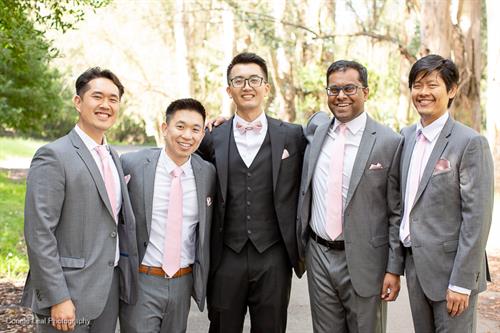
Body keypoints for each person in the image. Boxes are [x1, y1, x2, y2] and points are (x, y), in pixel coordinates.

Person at [22, 67, 138, 332]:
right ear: (78, 101)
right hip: (67, 294)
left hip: (108, 291)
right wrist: (58, 297)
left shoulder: (113, 157)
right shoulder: (53, 155)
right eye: (97, 96)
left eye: (113, 99)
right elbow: (39, 232)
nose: (105, 105)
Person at [197, 52, 306, 333]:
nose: (247, 86)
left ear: (267, 88)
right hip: (225, 255)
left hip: (273, 255)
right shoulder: (211, 138)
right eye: (239, 80)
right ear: (229, 89)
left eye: (254, 79)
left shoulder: (294, 136)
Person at [297, 60, 404, 333]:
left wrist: (393, 268)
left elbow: (396, 212)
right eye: (334, 89)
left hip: (366, 260)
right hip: (319, 256)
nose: (341, 96)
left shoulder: (388, 141)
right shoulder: (316, 131)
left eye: (349, 88)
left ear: (365, 92)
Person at [400, 54, 493, 333]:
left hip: (453, 274)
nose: (423, 92)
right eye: (417, 85)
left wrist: (462, 282)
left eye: (432, 85)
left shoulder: (470, 143)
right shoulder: (404, 138)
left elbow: (476, 219)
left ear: (451, 90)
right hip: (416, 267)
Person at [119, 98, 216, 333]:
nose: (187, 136)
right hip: (142, 278)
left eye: (196, 129)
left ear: (203, 134)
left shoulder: (208, 174)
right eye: (180, 126)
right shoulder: (132, 164)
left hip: (183, 280)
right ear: (165, 128)